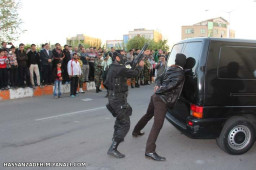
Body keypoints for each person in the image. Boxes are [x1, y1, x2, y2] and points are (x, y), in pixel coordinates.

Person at [132, 53, 186, 161]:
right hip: (162, 100)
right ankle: (150, 151)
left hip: (155, 97)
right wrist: (160, 89)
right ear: (183, 62)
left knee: (148, 115)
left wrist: (157, 86)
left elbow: (159, 78)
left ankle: (136, 131)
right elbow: (171, 86)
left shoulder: (170, 69)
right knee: (157, 125)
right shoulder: (180, 73)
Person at [104, 51, 144, 158]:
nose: (123, 57)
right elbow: (134, 74)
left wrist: (133, 63)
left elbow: (127, 67)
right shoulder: (119, 68)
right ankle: (113, 148)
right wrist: (139, 67)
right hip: (118, 99)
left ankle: (115, 138)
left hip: (113, 98)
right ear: (117, 57)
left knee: (119, 120)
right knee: (125, 123)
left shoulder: (112, 67)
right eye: (121, 56)